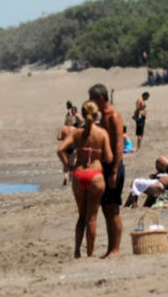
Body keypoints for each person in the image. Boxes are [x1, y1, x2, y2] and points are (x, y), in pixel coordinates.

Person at [57, 101, 112, 258]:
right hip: (95, 175)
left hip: (79, 174)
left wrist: (69, 166)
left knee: (81, 216)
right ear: (95, 115)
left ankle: (76, 251)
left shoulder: (77, 133)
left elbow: (60, 149)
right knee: (92, 217)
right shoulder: (101, 134)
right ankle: (89, 253)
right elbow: (108, 157)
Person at [89, 83, 124, 259]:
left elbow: (118, 145)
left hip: (114, 167)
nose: (90, 102)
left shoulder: (114, 116)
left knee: (113, 208)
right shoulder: (101, 117)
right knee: (106, 209)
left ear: (101, 99)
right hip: (104, 167)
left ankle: (116, 249)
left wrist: (115, 171)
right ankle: (111, 249)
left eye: (92, 98)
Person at [57, 116, 76, 186]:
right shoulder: (74, 129)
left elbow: (58, 138)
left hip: (65, 148)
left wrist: (63, 138)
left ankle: (65, 177)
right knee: (72, 164)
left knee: (65, 165)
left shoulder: (63, 128)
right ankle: (71, 181)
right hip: (73, 148)